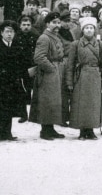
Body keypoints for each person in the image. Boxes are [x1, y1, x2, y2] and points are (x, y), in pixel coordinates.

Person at [66, 17, 102, 140]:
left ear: (94, 30)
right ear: (83, 30)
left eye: (91, 28)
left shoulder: (101, 44)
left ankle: (91, 130)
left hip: (96, 76)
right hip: (81, 76)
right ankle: (82, 130)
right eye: (87, 28)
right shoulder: (75, 44)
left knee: (94, 104)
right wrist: (69, 82)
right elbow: (70, 65)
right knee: (81, 104)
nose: (89, 30)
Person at [0, 20, 29, 144]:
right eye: (7, 32)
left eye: (12, 32)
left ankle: (7, 133)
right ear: (1, 33)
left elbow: (21, 64)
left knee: (9, 108)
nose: (9, 34)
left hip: (12, 84)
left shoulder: (16, 46)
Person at [29, 12, 66, 140]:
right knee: (46, 102)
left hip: (56, 72)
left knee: (53, 102)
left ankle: (50, 128)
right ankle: (45, 130)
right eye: (54, 22)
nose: (57, 25)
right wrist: (52, 68)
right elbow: (39, 57)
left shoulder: (55, 36)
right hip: (47, 74)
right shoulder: (44, 38)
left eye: (58, 22)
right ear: (47, 24)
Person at [16, 16, 39, 122]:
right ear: (20, 25)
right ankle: (23, 114)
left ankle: (34, 114)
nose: (26, 27)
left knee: (34, 90)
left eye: (28, 25)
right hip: (20, 66)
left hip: (33, 66)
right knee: (22, 91)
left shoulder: (35, 36)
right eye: (24, 25)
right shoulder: (16, 37)